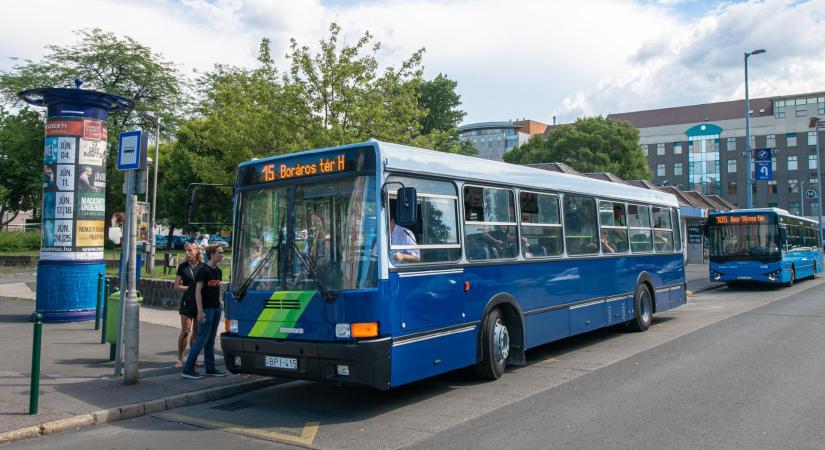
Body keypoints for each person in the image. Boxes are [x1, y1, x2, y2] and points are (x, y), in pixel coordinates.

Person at [181, 244, 226, 379]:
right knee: (201, 339)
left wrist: (219, 304)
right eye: (220, 252)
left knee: (211, 340)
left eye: (222, 253)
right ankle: (188, 369)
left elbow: (215, 289)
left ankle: (210, 368)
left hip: (216, 308)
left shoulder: (218, 271)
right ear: (211, 254)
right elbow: (197, 291)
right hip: (206, 309)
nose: (222, 255)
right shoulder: (203, 270)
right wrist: (200, 311)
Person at [173, 243, 202, 369]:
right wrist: (191, 288)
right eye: (186, 251)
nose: (187, 253)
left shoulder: (202, 267)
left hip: (199, 302)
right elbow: (177, 286)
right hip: (187, 301)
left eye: (190, 250)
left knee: (196, 331)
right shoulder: (183, 267)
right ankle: (180, 358)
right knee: (186, 330)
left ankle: (193, 357)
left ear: (196, 252)